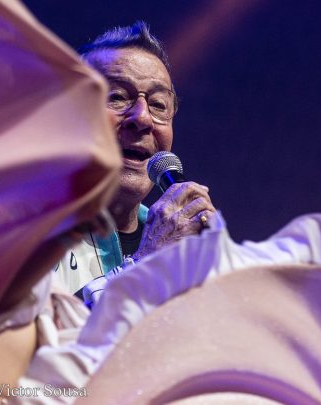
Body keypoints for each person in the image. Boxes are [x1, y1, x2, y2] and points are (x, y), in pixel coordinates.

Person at [52, 21, 217, 304]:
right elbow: (39, 329)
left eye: (158, 105)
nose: (142, 118)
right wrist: (146, 266)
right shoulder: (22, 230)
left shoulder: (177, 242)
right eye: (117, 97)